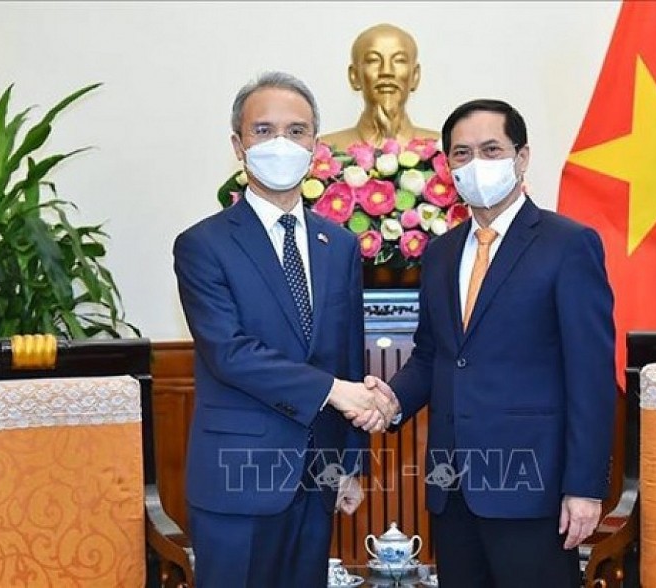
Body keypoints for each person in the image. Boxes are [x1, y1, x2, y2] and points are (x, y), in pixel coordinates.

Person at [367, 99, 616, 586]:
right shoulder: (440, 253)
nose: (475, 164)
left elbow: (591, 377)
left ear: (521, 158)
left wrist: (584, 488)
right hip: (453, 489)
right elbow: (435, 355)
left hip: (534, 490)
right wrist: (391, 400)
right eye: (461, 153)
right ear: (447, 166)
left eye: (491, 149)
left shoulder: (568, 245)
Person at [173, 71, 396, 588]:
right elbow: (229, 352)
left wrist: (349, 464)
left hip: (316, 479)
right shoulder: (203, 245)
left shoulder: (338, 245)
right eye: (263, 130)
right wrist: (336, 391)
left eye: (296, 131)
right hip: (238, 480)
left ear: (316, 145)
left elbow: (345, 357)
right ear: (238, 144)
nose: (281, 143)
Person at [320, 23, 440, 150]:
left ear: (415, 76)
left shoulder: (442, 150)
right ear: (354, 76)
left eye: (399, 60)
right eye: (373, 60)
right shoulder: (325, 151)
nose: (386, 71)